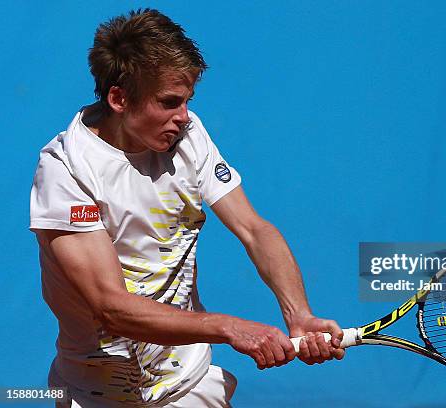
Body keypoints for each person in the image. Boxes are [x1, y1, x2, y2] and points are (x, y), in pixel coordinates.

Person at [30, 8, 344, 408]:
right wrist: (229, 328)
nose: (183, 117)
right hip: (97, 394)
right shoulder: (66, 170)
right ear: (119, 98)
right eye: (168, 102)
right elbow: (111, 307)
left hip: (188, 385)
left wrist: (299, 313)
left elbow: (253, 228)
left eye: (187, 101)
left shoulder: (189, 135)